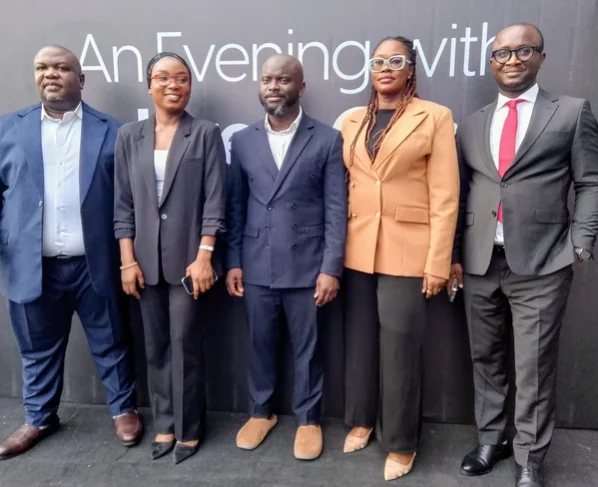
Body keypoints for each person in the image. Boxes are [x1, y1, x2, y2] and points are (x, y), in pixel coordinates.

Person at [451, 23, 598, 487]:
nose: (512, 60)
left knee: (533, 366)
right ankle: (490, 440)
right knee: (485, 358)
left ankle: (529, 458)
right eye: (502, 53)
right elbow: (461, 191)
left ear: (541, 57)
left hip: (543, 262)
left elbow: (590, 182)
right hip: (479, 261)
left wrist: (581, 242)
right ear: (491, 62)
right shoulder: (471, 123)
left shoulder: (571, 112)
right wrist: (454, 255)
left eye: (523, 51)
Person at [0, 45, 143, 460]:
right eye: (42, 67)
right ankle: (39, 417)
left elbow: (128, 201)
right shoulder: (8, 129)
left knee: (112, 341)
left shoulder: (113, 131)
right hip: (31, 265)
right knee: (36, 348)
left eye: (61, 68)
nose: (50, 74)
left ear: (80, 80)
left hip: (95, 263)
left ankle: (123, 410)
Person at [340, 36, 459, 481]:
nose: (385, 68)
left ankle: (401, 441)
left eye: (396, 61)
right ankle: (361, 419)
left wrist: (438, 261)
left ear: (411, 69)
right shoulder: (352, 120)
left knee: (400, 350)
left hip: (409, 250)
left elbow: (445, 195)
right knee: (359, 344)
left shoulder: (435, 116)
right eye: (378, 61)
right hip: (356, 248)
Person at [226, 54, 347, 461]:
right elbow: (235, 207)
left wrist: (331, 268)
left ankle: (309, 419)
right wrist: (234, 261)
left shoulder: (326, 139)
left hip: (308, 265)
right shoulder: (243, 140)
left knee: (308, 350)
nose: (273, 87)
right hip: (256, 262)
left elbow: (336, 209)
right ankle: (261, 413)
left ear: (300, 87)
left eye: (282, 80)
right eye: (267, 80)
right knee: (259, 344)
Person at [114, 52, 227, 465]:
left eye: (182, 78)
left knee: (185, 344)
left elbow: (215, 200)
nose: (173, 85)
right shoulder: (129, 135)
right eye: (163, 78)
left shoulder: (205, 133)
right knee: (155, 345)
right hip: (144, 263)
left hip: (189, 263)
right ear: (149, 85)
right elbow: (122, 204)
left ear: (190, 86)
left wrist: (205, 256)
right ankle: (164, 423)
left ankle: (190, 428)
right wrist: (127, 261)